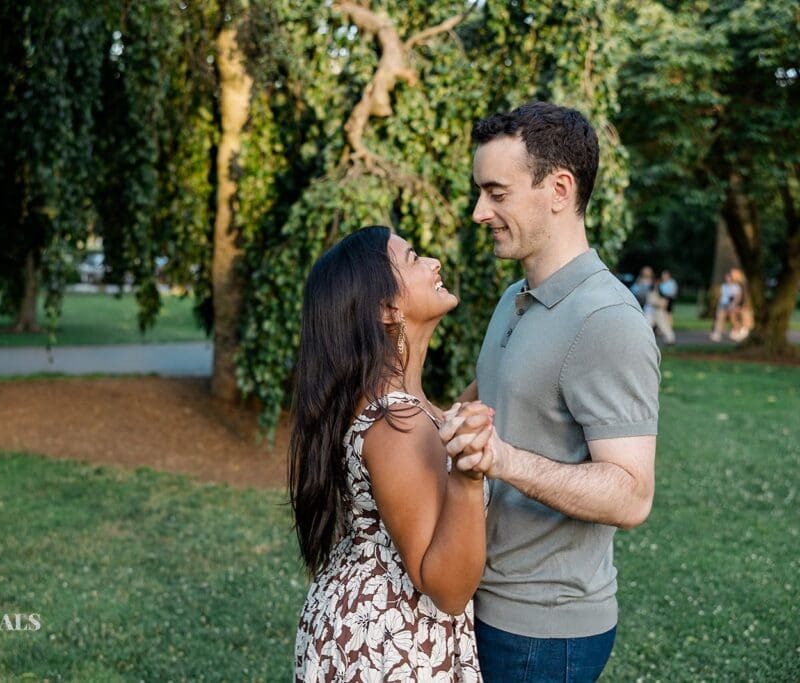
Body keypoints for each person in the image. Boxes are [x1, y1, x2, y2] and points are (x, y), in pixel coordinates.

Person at [439, 102, 661, 682]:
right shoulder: (517, 296)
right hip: (483, 601)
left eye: (496, 192)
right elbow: (483, 401)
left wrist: (503, 459)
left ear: (558, 189)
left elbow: (631, 495)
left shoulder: (607, 319)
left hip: (543, 632)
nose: (478, 212)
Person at [290, 225, 490, 681]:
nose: (433, 263)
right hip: (393, 643)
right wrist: (468, 477)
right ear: (387, 308)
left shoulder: (396, 406)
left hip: (361, 621)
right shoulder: (396, 424)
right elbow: (448, 589)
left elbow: (446, 420)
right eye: (415, 258)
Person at [710, 270, 743, 342]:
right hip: (723, 304)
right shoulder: (723, 286)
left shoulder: (736, 287)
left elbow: (738, 297)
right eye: (726, 278)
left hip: (732, 305)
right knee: (720, 318)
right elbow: (721, 296)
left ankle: (736, 332)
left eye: (729, 278)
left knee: (733, 318)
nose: (727, 279)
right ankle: (717, 333)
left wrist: (733, 304)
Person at [649, 269, 678, 344]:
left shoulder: (665, 285)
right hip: (653, 309)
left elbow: (666, 297)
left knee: (664, 324)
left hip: (660, 308)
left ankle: (670, 338)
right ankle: (669, 338)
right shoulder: (657, 286)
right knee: (649, 323)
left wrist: (663, 305)